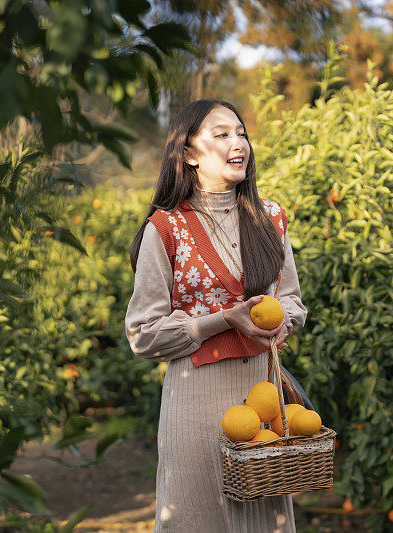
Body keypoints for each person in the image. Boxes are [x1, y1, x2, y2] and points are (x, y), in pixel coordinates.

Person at [125, 98, 307, 532]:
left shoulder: (269, 219)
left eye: (240, 132)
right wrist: (223, 320)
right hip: (195, 397)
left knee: (264, 520)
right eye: (221, 134)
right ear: (187, 153)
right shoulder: (165, 228)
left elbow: (294, 300)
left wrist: (283, 321)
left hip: (261, 396)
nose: (237, 142)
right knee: (199, 516)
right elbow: (143, 334)